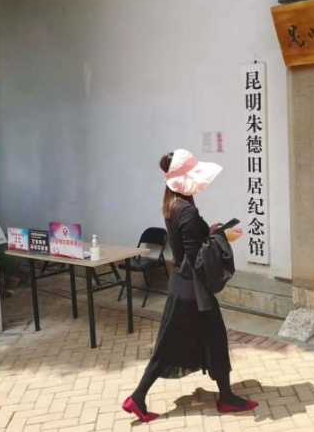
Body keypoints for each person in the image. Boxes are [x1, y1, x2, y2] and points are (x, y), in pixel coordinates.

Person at [122, 149, 258, 423]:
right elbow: (196, 257)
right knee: (199, 340)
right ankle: (223, 398)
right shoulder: (188, 210)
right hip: (192, 291)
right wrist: (222, 238)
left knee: (191, 341)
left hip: (180, 284)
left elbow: (187, 246)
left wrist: (211, 232)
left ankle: (222, 396)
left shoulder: (172, 205)